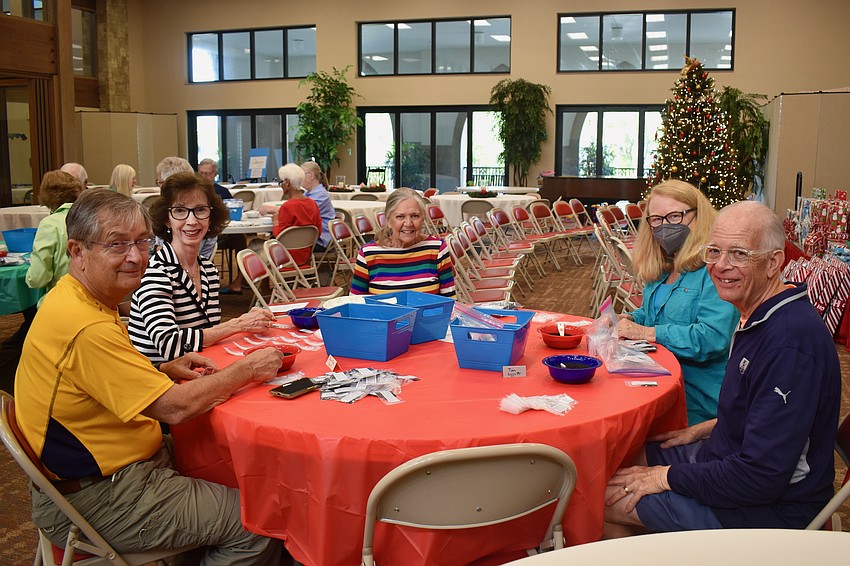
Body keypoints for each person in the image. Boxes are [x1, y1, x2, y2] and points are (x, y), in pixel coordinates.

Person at [14, 188, 286, 564]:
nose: (136, 256)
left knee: (246, 468)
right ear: (77, 252)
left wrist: (160, 369)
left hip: (114, 468)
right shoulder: (85, 326)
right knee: (258, 519)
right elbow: (175, 408)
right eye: (117, 244)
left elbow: (93, 380)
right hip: (101, 494)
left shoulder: (75, 297)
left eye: (142, 241)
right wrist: (248, 369)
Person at [604, 200, 841, 536]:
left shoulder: (789, 345)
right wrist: (702, 430)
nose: (720, 266)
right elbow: (762, 413)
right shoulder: (760, 314)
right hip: (724, 459)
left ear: (775, 262)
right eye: (714, 251)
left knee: (601, 500)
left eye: (740, 254)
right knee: (617, 457)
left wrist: (663, 477)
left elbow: (759, 477)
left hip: (769, 510)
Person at [617, 180, 737, 426]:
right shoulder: (665, 264)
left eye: (674, 216)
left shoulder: (715, 268)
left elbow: (712, 338)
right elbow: (655, 313)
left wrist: (647, 333)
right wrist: (632, 319)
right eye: (656, 220)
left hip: (696, 402)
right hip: (658, 381)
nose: (664, 227)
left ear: (698, 216)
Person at [128, 172, 274, 364]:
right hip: (160, 381)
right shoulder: (156, 273)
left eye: (200, 210)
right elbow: (170, 345)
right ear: (166, 219)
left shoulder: (208, 270)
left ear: (210, 217)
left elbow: (208, 334)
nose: (192, 221)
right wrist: (238, 324)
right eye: (180, 211)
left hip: (197, 369)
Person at [350, 187, 455, 296]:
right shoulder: (368, 254)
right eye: (400, 217)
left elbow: (450, 302)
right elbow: (355, 304)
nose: (408, 223)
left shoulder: (437, 249)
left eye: (415, 216)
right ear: (388, 221)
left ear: (423, 218)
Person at [25, 170, 84, 298]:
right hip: (94, 300)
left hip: (61, 299)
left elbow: (38, 278)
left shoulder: (50, 224)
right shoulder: (90, 217)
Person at [198, 158, 245, 294]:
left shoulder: (222, 192)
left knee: (240, 239)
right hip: (204, 235)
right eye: (201, 173)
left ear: (215, 174)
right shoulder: (195, 192)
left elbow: (230, 212)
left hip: (222, 233)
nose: (204, 177)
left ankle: (240, 279)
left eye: (207, 173)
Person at [273, 163, 321, 266]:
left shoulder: (287, 207)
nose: (281, 186)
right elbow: (318, 231)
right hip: (306, 254)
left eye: (281, 182)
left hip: (286, 257)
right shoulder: (312, 204)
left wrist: (275, 222)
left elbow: (280, 237)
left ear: (287, 183)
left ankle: (257, 282)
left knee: (255, 247)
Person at [300, 161, 335, 251]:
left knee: (284, 244)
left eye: (302, 174)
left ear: (311, 176)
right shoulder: (308, 193)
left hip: (320, 240)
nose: (299, 178)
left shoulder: (320, 195)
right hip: (310, 236)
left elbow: (303, 212)